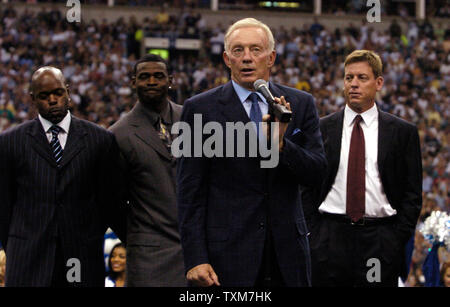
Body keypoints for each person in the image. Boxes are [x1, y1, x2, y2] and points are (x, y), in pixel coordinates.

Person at [176, 18, 326, 287]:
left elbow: (317, 174)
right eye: (238, 50)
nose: (247, 58)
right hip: (226, 259)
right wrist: (195, 258)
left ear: (271, 58)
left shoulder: (300, 104)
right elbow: (190, 192)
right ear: (226, 58)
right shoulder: (200, 109)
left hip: (287, 258)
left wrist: (282, 147)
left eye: (255, 50)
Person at [0, 66, 126, 287]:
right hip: (28, 257)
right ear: (32, 98)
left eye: (58, 93)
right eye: (44, 95)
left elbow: (110, 203)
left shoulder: (100, 140)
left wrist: (85, 235)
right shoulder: (10, 142)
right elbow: (3, 205)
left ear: (68, 92)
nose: (52, 100)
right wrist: (16, 245)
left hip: (80, 256)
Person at [306, 50, 422, 287]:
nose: (354, 84)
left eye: (362, 78)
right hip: (328, 239)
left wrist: (394, 239)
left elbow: (412, 195)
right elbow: (305, 186)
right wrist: (313, 234)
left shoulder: (402, 132)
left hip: (379, 240)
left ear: (378, 83)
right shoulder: (321, 128)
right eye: (349, 78)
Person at [109, 54, 185, 286]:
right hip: (149, 258)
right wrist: (140, 236)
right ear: (133, 82)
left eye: (158, 76)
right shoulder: (118, 134)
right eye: (144, 77)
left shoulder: (192, 119)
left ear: (170, 80)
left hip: (196, 252)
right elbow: (113, 202)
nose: (151, 81)